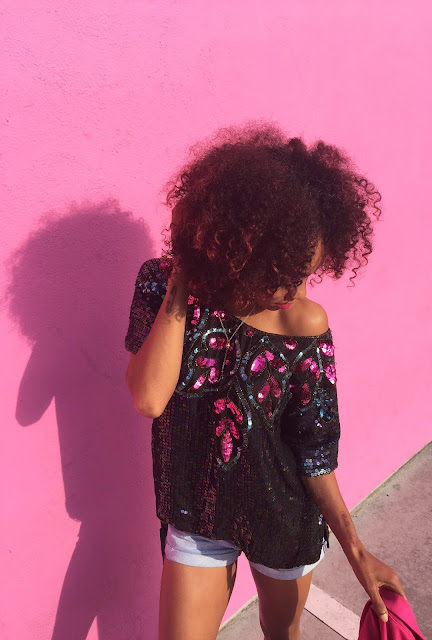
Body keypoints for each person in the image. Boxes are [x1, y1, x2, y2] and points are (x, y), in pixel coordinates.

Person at [125, 124, 407, 640]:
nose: (294, 290)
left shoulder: (304, 323)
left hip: (284, 516)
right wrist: (185, 271)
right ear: (240, 253)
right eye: (282, 274)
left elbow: (314, 451)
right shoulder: (162, 285)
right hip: (199, 512)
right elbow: (148, 397)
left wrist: (358, 552)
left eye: (307, 273)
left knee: (281, 634)